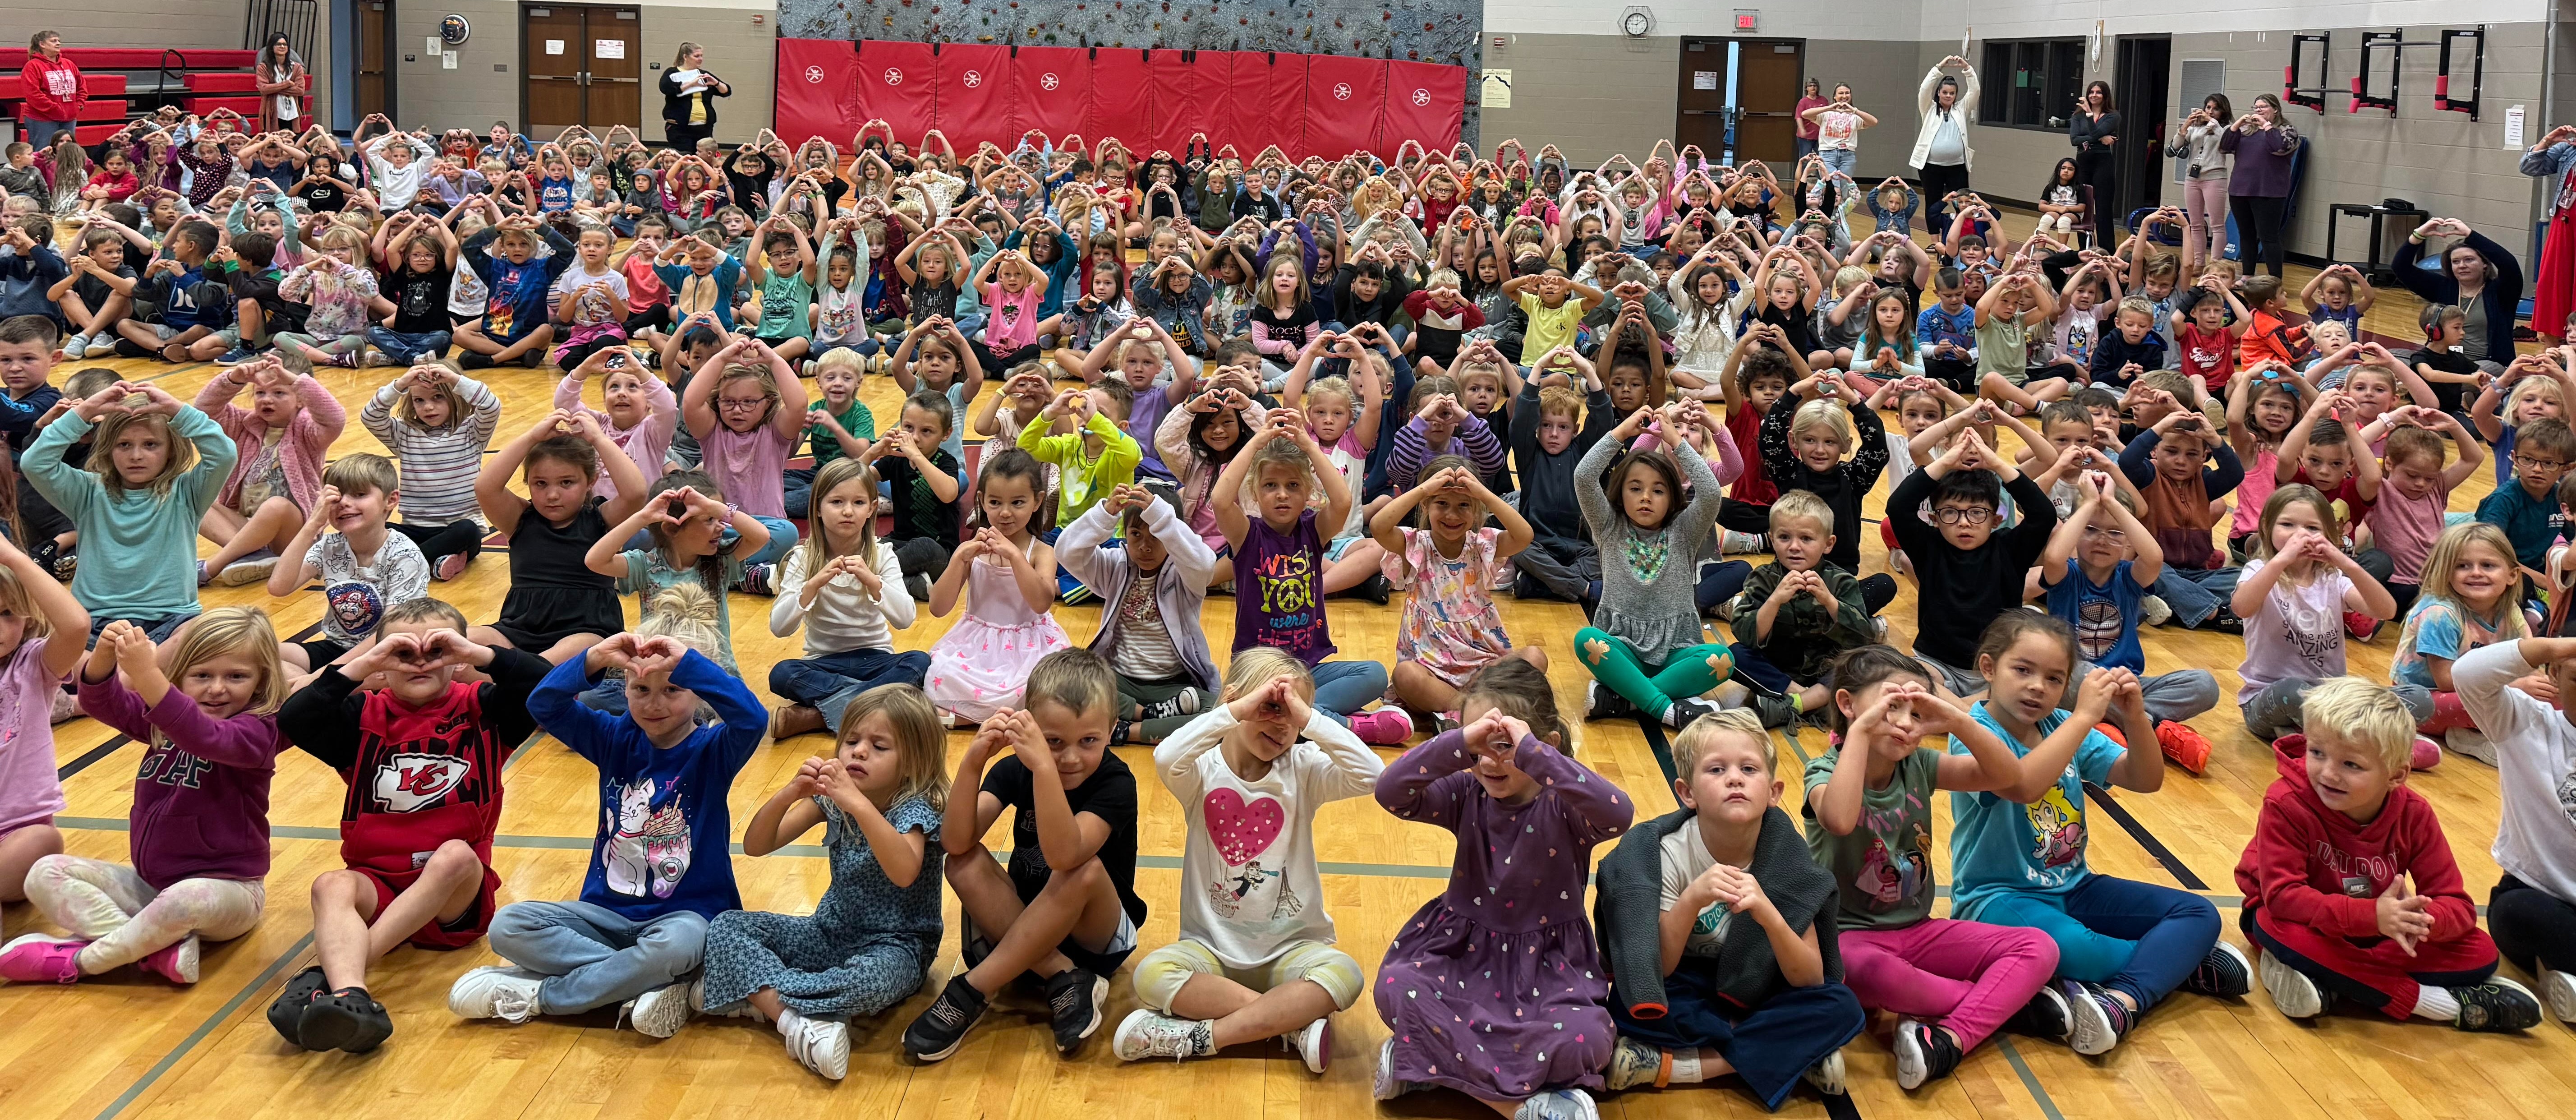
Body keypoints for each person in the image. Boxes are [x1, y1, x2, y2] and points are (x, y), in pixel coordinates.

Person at [1946, 613, 2245, 1054]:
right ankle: (2170, 969)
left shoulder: (2060, 725)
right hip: (1998, 899)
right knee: (2072, 946)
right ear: (1989, 668)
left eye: (2053, 678)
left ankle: (2124, 994)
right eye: (2022, 670)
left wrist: (2136, 716)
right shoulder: (1974, 732)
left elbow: (2145, 778)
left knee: (2198, 913)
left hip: (2076, 886)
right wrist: (2085, 715)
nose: (2037, 686)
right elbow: (2024, 784)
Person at [264, 601, 552, 1053]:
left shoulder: (487, 710)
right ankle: (353, 999)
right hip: (378, 885)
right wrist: (361, 665)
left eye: (437, 648)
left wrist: (478, 653)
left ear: (459, 656)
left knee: (456, 854)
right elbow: (295, 717)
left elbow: (545, 683)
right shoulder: (359, 717)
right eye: (403, 651)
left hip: (453, 897)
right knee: (329, 885)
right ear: (380, 661)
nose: (420, 659)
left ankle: (327, 976)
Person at [449, 628, 764, 1037]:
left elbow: (753, 718)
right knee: (507, 925)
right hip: (604, 914)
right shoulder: (613, 737)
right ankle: (646, 982)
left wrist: (691, 664)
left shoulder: (715, 749)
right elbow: (543, 703)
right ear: (626, 690)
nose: (654, 703)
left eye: (673, 689)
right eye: (641, 689)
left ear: (699, 692)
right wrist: (594, 658)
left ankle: (543, 997)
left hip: (685, 918)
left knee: (677, 947)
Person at [1791, 649, 2063, 1088]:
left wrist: (1957, 720)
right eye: (1891, 705)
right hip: (1851, 939)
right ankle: (2009, 1005)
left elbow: (2009, 776)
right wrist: (1860, 730)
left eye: (1916, 711)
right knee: (1866, 971)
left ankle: (1945, 1030)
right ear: (1847, 703)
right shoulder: (1822, 770)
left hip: (1919, 929)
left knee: (2040, 948)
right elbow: (1840, 818)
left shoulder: (1919, 764)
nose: (1904, 721)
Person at [1110, 649, 1380, 1070]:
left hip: (1290, 952)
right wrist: (1232, 711)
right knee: (1151, 974)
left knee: (1344, 973)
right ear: (1236, 702)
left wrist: (1312, 720)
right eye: (1270, 706)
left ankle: (1205, 1037)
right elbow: (1164, 756)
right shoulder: (1200, 771)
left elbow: (1374, 776)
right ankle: (1290, 1024)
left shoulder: (1304, 769)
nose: (1283, 723)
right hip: (1211, 951)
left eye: (1293, 715)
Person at [1373, 687, 1633, 1120]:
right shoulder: (1465, 791)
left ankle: (1424, 1066)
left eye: (1505, 748)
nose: (1489, 762)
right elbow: (1390, 791)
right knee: (1397, 987)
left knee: (1587, 1038)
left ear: (1543, 747)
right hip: (1461, 959)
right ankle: (1518, 1107)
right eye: (1478, 749)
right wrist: (1457, 744)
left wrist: (1536, 755)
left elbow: (1619, 813)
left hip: (1548, 972)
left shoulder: (1567, 805)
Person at [2235, 677, 2544, 1032]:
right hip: (2298, 918)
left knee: (2481, 950)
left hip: (2373, 929)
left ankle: (2336, 978)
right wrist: (2373, 916)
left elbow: (2456, 904)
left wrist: (2417, 921)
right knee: (2272, 925)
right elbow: (2283, 897)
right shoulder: (2285, 802)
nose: (2328, 772)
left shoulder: (2415, 813)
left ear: (2396, 775)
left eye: (2352, 765)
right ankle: (2434, 1004)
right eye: (2317, 752)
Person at [3, 610, 287, 985]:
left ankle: (83, 962)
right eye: (202, 675)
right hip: (153, 886)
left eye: (236, 676)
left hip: (228, 893)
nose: (217, 688)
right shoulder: (164, 724)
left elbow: (202, 734)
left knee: (187, 897)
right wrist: (105, 652)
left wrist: (146, 673)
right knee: (45, 872)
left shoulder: (259, 732)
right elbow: (102, 703)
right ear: (182, 675)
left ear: (262, 679)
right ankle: (156, 952)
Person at [901, 649, 1144, 1062]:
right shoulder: (1016, 769)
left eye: (1089, 741)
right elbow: (957, 841)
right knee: (961, 863)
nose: (1070, 757)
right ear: (1029, 727)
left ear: (1112, 729)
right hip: (1027, 919)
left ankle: (974, 988)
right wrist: (974, 760)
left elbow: (1065, 853)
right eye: (1053, 742)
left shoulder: (1116, 783)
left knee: (1081, 870)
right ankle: (1063, 975)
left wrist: (1044, 768)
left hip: (1098, 934)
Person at [704, 684, 950, 1080]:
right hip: (828, 933)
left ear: (912, 761)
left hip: (896, 947)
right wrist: (790, 792)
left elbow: (904, 872)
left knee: (869, 982)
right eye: (851, 740)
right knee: (727, 926)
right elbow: (757, 845)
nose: (859, 751)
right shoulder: (832, 800)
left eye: (879, 746)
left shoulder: (914, 809)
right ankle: (794, 1018)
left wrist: (857, 802)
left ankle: (756, 995)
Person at [2453, 636, 2576, 1025]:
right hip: (2537, 896)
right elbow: (2467, 673)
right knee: (2517, 913)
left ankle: (2563, 973)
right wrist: (2557, 646)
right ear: (2554, 674)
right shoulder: (2526, 723)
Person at [2397, 217, 2525, 369]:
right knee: (2392, 357)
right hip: (2444, 361)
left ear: (2485, 264)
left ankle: (2439, 383)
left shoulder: (2501, 292)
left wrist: (2471, 235)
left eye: (2469, 260)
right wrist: (2419, 235)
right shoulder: (2443, 287)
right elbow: (2401, 267)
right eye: (2456, 262)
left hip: (2482, 365)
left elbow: (2509, 264)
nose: (2462, 266)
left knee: (2489, 370)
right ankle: (2441, 383)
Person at [2221, 95, 2304, 279]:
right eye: (2256, 107)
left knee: (2268, 237)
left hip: (2269, 192)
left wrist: (2266, 126)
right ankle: (2248, 276)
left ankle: (2275, 279)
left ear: (2275, 109)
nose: (2258, 110)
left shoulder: (2287, 131)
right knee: (2246, 234)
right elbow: (2225, 146)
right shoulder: (2246, 131)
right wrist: (2237, 125)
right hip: (2240, 190)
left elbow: (2279, 147)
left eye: (2264, 107)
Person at [1910, 58, 1979, 235]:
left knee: (1963, 201)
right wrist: (1939, 67)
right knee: (1934, 202)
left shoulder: (1962, 109)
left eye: (1952, 93)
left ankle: (1962, 235)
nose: (1948, 96)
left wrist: (1967, 68)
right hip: (1931, 167)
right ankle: (1935, 240)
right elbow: (1924, 89)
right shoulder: (1929, 108)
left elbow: (1975, 90)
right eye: (1945, 92)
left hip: (1957, 166)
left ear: (1956, 95)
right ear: (1939, 93)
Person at [2171, 96, 2236, 272]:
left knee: (2217, 224)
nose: (2210, 111)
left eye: (2215, 109)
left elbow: (2226, 141)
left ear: (2223, 111)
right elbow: (2176, 145)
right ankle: (2199, 263)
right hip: (2193, 178)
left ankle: (2215, 265)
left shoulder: (2225, 128)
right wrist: (2185, 127)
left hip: (2215, 177)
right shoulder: (2195, 128)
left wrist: (2212, 122)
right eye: (2208, 107)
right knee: (2196, 224)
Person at [659, 42, 731, 153]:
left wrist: (716, 83)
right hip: (680, 128)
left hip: (703, 127)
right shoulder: (672, 73)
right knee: (685, 157)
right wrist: (691, 84)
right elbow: (666, 89)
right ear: (685, 57)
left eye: (701, 56)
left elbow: (726, 91)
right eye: (697, 56)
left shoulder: (703, 74)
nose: (700, 59)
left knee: (703, 159)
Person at [18, 32, 83, 149]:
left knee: (68, 152)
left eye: (59, 41)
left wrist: (78, 105)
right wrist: (56, 109)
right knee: (44, 153)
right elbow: (33, 95)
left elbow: (82, 86)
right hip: (42, 119)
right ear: (42, 44)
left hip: (69, 118)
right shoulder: (33, 66)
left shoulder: (69, 64)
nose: (58, 43)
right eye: (54, 41)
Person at [253, 33, 308, 136]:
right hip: (273, 111)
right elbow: (264, 89)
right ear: (272, 47)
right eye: (279, 44)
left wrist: (274, 88)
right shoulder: (264, 67)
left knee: (293, 140)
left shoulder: (297, 68)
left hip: (292, 112)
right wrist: (288, 84)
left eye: (285, 44)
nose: (282, 47)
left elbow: (300, 90)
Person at [1794, 78, 1828, 162]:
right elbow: (1798, 117)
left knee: (1822, 159)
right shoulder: (1803, 102)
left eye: (1815, 85)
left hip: (1820, 136)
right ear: (1807, 88)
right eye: (1810, 86)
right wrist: (1802, 129)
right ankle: (1803, 175)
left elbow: (1828, 115)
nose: (1813, 87)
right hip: (1806, 137)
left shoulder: (1823, 100)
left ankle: (1821, 175)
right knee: (1805, 159)